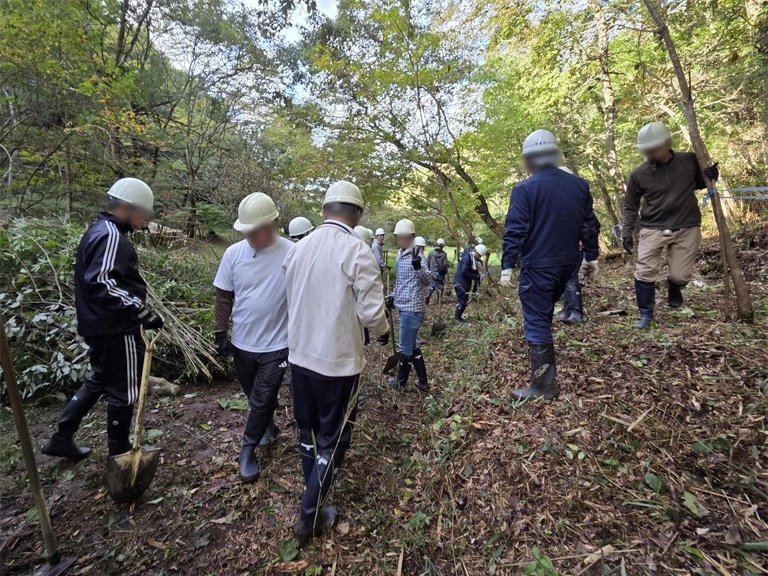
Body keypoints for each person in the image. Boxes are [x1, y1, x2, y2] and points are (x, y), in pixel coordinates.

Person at [283, 181, 389, 546]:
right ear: (357, 213)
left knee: (306, 431)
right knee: (334, 437)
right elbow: (372, 312)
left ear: (325, 210)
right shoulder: (357, 251)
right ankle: (309, 514)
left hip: (298, 356)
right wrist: (383, 332)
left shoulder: (300, 247)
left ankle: (314, 495)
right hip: (337, 363)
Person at [42, 178, 164, 461]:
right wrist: (141, 311)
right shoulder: (110, 235)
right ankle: (120, 451)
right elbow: (101, 281)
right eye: (143, 212)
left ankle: (61, 437)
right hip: (115, 328)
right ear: (127, 207)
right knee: (125, 388)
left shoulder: (98, 230)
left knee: (99, 380)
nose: (144, 218)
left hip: (98, 325)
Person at [499, 129, 599, 399]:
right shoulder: (579, 184)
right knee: (541, 314)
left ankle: (542, 387)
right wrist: (591, 256)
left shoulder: (524, 189)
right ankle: (538, 350)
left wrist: (507, 265)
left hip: (539, 266)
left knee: (535, 319)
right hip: (568, 264)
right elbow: (589, 225)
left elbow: (515, 231)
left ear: (530, 159)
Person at [213, 193, 292, 483]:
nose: (248, 236)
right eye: (244, 231)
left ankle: (247, 451)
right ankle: (267, 426)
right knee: (253, 396)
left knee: (263, 398)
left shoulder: (292, 252)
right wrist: (221, 331)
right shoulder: (234, 254)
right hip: (243, 343)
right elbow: (224, 296)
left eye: (253, 231)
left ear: (272, 225)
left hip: (278, 344)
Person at [622, 122, 719, 329]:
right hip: (653, 226)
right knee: (644, 271)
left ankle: (674, 285)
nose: (650, 153)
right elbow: (630, 206)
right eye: (646, 150)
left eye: (654, 148)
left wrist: (711, 175)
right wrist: (627, 231)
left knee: (680, 275)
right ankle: (646, 315)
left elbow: (700, 184)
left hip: (687, 224)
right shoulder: (638, 175)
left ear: (667, 143)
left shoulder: (689, 160)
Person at [384, 220, 430, 392]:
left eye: (406, 237)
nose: (403, 240)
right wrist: (391, 296)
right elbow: (402, 282)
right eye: (400, 237)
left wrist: (418, 267)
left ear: (412, 237)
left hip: (412, 308)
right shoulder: (399, 254)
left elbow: (426, 281)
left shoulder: (417, 256)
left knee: (405, 349)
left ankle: (400, 383)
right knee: (412, 346)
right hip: (402, 305)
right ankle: (423, 382)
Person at [454, 244, 487, 324]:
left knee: (462, 301)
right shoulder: (467, 258)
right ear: (477, 253)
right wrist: (475, 276)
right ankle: (457, 318)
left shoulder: (470, 257)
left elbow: (470, 269)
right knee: (463, 301)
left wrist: (477, 275)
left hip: (462, 283)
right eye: (479, 256)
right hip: (460, 283)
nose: (479, 258)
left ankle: (457, 317)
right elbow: (465, 271)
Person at [426, 238, 449, 305]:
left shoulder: (431, 253)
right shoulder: (444, 254)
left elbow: (428, 262)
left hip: (432, 271)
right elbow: (445, 264)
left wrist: (429, 270)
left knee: (432, 285)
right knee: (440, 286)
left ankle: (428, 295)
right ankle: (439, 300)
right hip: (441, 272)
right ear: (442, 246)